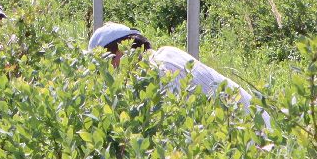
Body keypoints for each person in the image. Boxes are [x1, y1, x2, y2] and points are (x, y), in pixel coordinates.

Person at [88, 23, 253, 109]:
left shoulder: (159, 70)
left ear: (120, 52)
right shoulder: (165, 54)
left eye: (104, 63)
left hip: (253, 146)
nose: (105, 73)